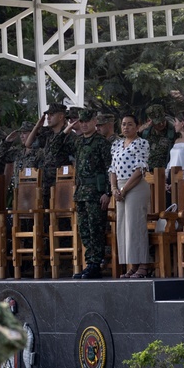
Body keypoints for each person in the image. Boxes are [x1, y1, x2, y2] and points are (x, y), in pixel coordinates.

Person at [109, 114, 152, 279]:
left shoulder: (142, 143)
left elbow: (140, 170)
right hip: (119, 187)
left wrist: (124, 189)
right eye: (123, 124)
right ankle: (132, 264)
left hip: (134, 186)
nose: (126, 127)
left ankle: (143, 265)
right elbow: (112, 168)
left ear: (137, 126)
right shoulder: (117, 144)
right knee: (123, 227)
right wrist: (114, 188)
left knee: (135, 225)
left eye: (129, 124)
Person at [72, 109, 113, 280]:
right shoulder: (79, 142)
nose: (84, 124)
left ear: (95, 121)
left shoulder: (101, 143)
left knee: (96, 228)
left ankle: (95, 264)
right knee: (84, 230)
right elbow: (56, 147)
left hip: (96, 193)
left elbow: (110, 168)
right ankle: (90, 263)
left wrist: (107, 192)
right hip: (81, 193)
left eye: (87, 121)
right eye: (81, 122)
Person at [25, 102, 75, 207]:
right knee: (46, 215)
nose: (48, 118)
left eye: (52, 115)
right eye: (48, 115)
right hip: (46, 180)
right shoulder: (47, 133)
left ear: (61, 116)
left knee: (61, 216)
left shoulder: (69, 135)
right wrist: (37, 126)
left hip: (62, 181)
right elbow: (28, 144)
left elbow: (74, 160)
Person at [139, 103, 176, 171]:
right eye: (158, 122)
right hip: (146, 173)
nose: (161, 124)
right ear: (150, 121)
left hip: (164, 173)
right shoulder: (145, 132)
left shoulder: (173, 131)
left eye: (163, 120)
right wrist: (139, 131)